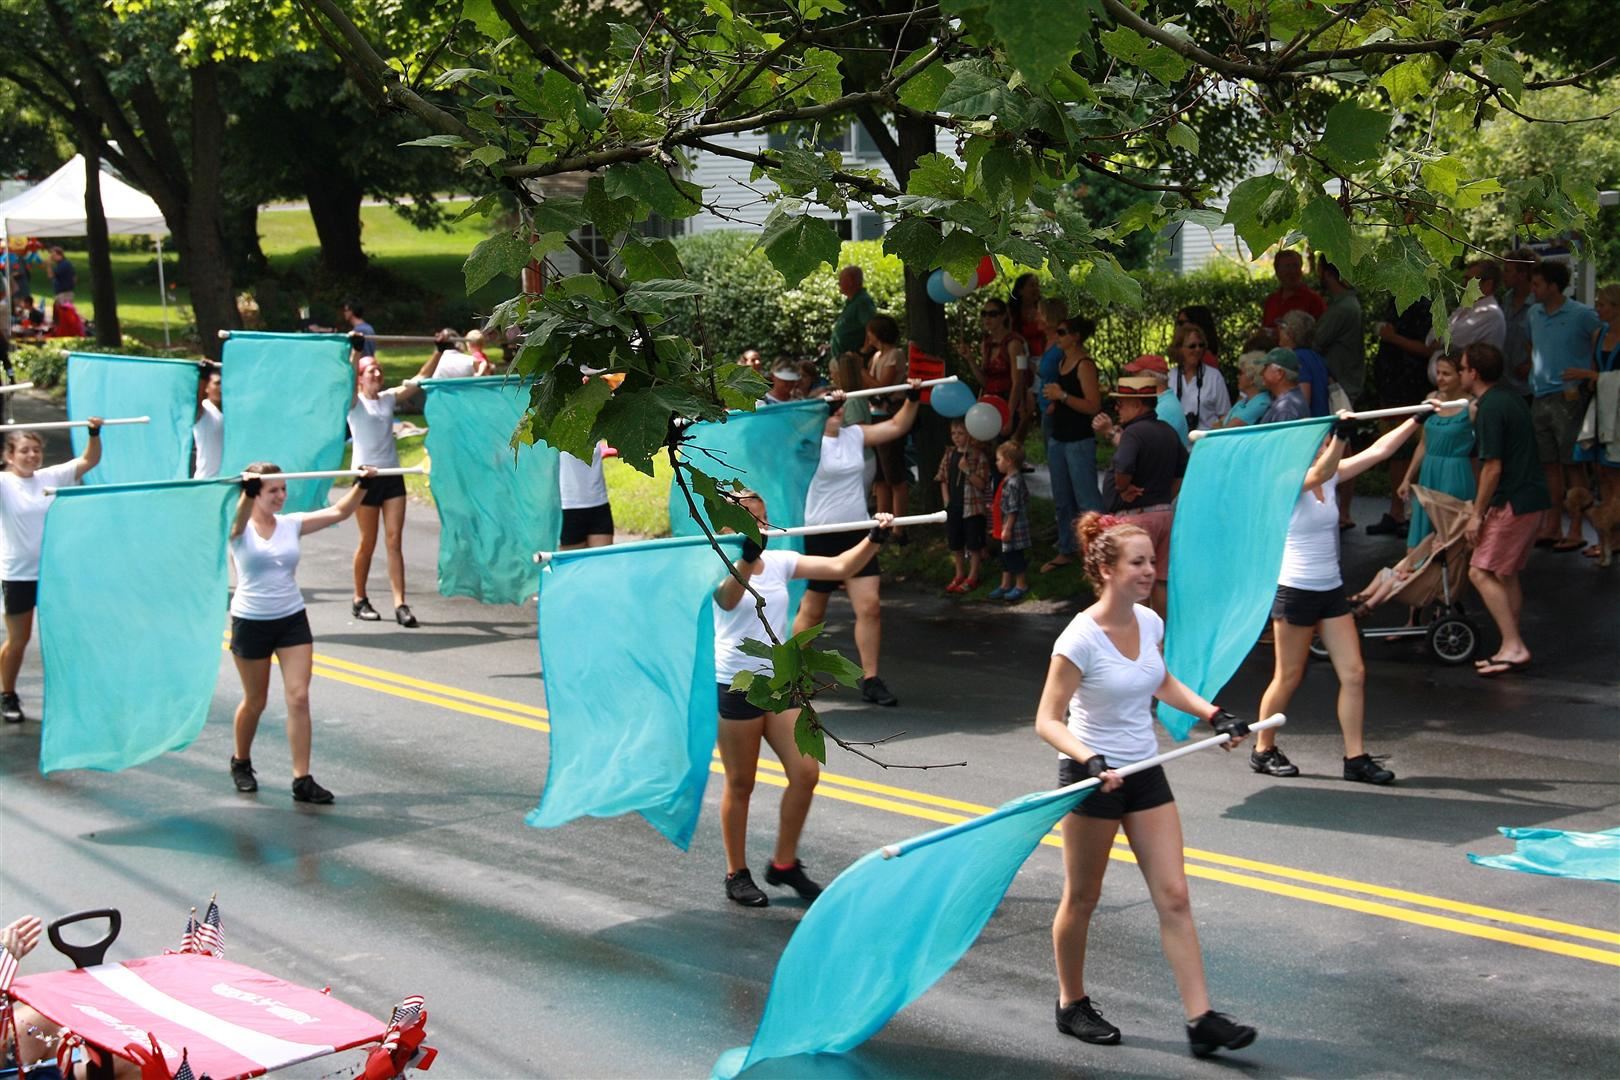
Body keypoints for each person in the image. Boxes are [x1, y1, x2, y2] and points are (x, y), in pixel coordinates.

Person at [1035, 512, 1256, 1059]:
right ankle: (1071, 1003)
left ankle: (1201, 1018)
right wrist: (1089, 760)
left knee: (1175, 896)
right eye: (1138, 563)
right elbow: (1047, 719)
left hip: (1144, 772)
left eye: (1152, 562)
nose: (1150, 571)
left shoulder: (1149, 622)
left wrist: (1215, 714)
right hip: (1093, 780)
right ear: (1107, 569)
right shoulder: (1079, 638)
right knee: (1083, 897)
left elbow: (1159, 680)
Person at [715, 496, 896, 906]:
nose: (760, 524)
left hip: (779, 684)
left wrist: (874, 538)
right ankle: (736, 873)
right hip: (736, 684)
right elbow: (727, 598)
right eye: (750, 519)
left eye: (763, 517)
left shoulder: (778, 562)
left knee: (806, 772)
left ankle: (783, 864)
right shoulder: (716, 560)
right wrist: (745, 559)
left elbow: (839, 568)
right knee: (741, 783)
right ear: (728, 525)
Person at [1249, 411, 1429, 784]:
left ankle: (1355, 758)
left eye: (1325, 441)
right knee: (1289, 675)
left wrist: (1417, 417)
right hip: (1295, 590)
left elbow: (1380, 450)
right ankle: (1263, 748)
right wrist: (1342, 437)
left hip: (1330, 589)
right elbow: (1318, 474)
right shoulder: (1288, 479)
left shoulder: (1331, 476)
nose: (1323, 447)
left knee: (1355, 673)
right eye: (1320, 442)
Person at [228, 463, 377, 803]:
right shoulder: (238, 529)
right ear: (254, 494)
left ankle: (301, 779)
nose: (281, 496)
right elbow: (237, 522)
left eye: (283, 489)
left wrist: (362, 483)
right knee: (256, 700)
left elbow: (340, 510)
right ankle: (241, 761)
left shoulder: (290, 524)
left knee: (298, 697)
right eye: (273, 491)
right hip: (251, 621)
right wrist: (247, 493)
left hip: (291, 618)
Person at [791, 381, 922, 707]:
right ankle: (792, 674)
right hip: (820, 534)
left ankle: (871, 679)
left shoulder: (855, 435)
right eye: (829, 406)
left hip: (858, 533)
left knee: (870, 607)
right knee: (813, 611)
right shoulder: (805, 444)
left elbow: (896, 425)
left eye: (839, 405)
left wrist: (913, 397)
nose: (836, 411)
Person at [0, 421, 104, 724]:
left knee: (63, 636)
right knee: (19, 639)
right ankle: (7, 693)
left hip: (53, 574)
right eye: (24, 451)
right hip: (18, 575)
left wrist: (94, 433)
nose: (31, 455)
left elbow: (90, 460)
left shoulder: (50, 476)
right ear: (10, 456)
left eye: (35, 450)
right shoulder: (4, 483)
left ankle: (68, 697)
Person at [1460, 343, 1551, 677]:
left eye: (1462, 367)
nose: (1459, 373)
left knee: (1478, 571)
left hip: (1512, 501)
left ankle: (1514, 645)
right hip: (1531, 498)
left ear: (1474, 373)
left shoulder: (1490, 408)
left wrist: (1476, 514)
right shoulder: (1508, 398)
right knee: (1505, 573)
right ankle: (1508, 645)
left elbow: (1492, 467)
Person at [1090, 376, 1186, 616]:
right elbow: (1182, 471)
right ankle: (1161, 638)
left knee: (1135, 581)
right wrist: (1164, 497)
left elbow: (1124, 469)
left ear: (1137, 404)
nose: (1117, 408)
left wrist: (1123, 488)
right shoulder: (1167, 430)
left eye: (1121, 403)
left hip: (1137, 517)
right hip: (1164, 514)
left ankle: (1139, 640)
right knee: (1159, 579)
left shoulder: (1133, 433)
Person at [347, 360, 430, 628]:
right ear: (360, 377)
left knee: (394, 541)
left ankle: (400, 604)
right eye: (371, 370)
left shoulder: (387, 399)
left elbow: (419, 379)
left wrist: (438, 352)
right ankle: (359, 599)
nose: (378, 373)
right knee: (367, 542)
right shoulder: (353, 403)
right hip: (365, 477)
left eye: (379, 369)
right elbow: (347, 376)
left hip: (391, 475)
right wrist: (356, 349)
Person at [1526, 260, 1600, 551]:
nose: (1533, 290)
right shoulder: (1534, 313)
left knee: (1573, 464)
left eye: (1537, 284)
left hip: (1569, 395)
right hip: (1540, 394)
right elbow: (1534, 345)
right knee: (1548, 465)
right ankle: (1553, 525)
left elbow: (1601, 341)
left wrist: (1590, 375)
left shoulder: (1582, 314)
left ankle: (1578, 528)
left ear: (1553, 286)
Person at [1365, 297, 1434, 537]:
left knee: (1410, 450)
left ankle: (1412, 513)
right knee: (1396, 453)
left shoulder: (1426, 305)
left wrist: (1394, 339)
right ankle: (1396, 511)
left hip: (1411, 389)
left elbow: (1431, 348)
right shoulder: (1393, 301)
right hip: (1391, 390)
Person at [1040, 315, 1104, 573]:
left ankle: (1100, 550)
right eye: (1058, 331)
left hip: (1078, 440)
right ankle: (1067, 549)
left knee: (1086, 498)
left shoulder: (1084, 364)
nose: (1058, 336)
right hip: (1059, 438)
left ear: (1076, 336)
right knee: (1063, 498)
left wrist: (1062, 396)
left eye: (1063, 332)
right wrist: (1056, 404)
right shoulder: (1063, 361)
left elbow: (1093, 406)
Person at [1398, 353, 1476, 549]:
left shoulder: (1472, 406)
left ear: (1461, 375)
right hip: (1429, 471)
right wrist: (1408, 477)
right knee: (1419, 535)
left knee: (1450, 535)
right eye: (1438, 372)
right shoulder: (1431, 400)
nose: (1439, 378)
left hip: (1455, 471)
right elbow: (1424, 443)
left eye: (1446, 374)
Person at [1569, 282, 1620, 557]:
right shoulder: (1599, 334)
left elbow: (1596, 374)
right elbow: (1594, 369)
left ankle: (1614, 536)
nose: (1597, 308)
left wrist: (1594, 378)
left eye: (1602, 304)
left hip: (1618, 414)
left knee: (1616, 477)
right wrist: (1591, 381)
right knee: (1601, 473)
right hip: (1601, 409)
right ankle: (1607, 537)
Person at [863, 316, 910, 539]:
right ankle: (883, 525)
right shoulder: (877, 356)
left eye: (870, 332)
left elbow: (882, 386)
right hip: (876, 415)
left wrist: (861, 372)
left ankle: (900, 528)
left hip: (890, 415)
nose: (868, 336)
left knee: (895, 474)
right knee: (880, 476)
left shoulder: (895, 355)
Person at [938, 418, 991, 594]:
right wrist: (946, 501)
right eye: (954, 433)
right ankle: (959, 574)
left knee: (974, 544)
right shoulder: (949, 454)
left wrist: (967, 470)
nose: (956, 437)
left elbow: (982, 484)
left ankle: (973, 576)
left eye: (961, 433)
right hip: (954, 506)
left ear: (970, 434)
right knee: (956, 542)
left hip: (973, 507)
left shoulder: (977, 456)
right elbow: (942, 478)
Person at [960, 298, 1026, 437]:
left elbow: (1018, 382)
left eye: (992, 314)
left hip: (1008, 403)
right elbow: (985, 381)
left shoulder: (1014, 343)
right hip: (988, 404)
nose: (987, 318)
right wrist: (970, 360)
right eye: (984, 314)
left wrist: (1009, 414)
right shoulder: (987, 344)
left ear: (1003, 316)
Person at [1168, 320, 1231, 432]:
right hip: (1176, 444)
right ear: (1179, 349)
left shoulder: (1214, 377)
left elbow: (1225, 415)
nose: (1197, 349)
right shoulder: (1170, 377)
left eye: (1201, 345)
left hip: (1207, 443)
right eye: (1192, 346)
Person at [990, 440, 1031, 602]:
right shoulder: (1007, 479)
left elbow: (1013, 508)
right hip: (1002, 526)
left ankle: (1021, 584)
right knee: (1004, 557)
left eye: (999, 459)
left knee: (1014, 556)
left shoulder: (1013, 482)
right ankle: (1005, 584)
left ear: (1009, 461)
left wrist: (1007, 528)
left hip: (1011, 529)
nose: (996, 463)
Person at [559, 441, 614, 550]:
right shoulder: (555, 431)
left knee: (603, 563)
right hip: (568, 508)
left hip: (599, 504)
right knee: (574, 565)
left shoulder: (595, 426)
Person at [1499, 248, 1539, 398]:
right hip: (1505, 382)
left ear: (1522, 275)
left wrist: (1532, 365)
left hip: (1528, 386)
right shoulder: (1506, 299)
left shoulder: (1537, 305)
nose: (1504, 275)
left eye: (1508, 271)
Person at [1262, 249, 1325, 329]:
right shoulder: (1271, 301)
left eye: (1296, 266)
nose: (1292, 271)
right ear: (1277, 272)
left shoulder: (1314, 300)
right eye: (1287, 266)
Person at [829, 266, 877, 358]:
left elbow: (872, 327)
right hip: (842, 358)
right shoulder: (851, 302)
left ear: (851, 282)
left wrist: (864, 351)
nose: (838, 283)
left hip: (852, 361)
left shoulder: (863, 301)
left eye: (841, 280)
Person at [1257, 347, 1309, 424]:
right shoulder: (1290, 401)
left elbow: (1281, 436)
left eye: (1265, 367)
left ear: (1279, 373)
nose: (1261, 373)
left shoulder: (1285, 410)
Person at [1221, 351, 1272, 427]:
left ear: (1252, 379)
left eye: (1241, 373)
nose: (1238, 377)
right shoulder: (1245, 401)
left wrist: (1220, 425)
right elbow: (1219, 423)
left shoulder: (1262, 402)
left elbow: (1228, 427)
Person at [192, 364, 223, 479]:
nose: (221, 387)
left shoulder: (229, 414)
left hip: (228, 481)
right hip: (207, 480)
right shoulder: (204, 410)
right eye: (217, 383)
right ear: (207, 387)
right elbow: (194, 400)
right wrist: (204, 375)